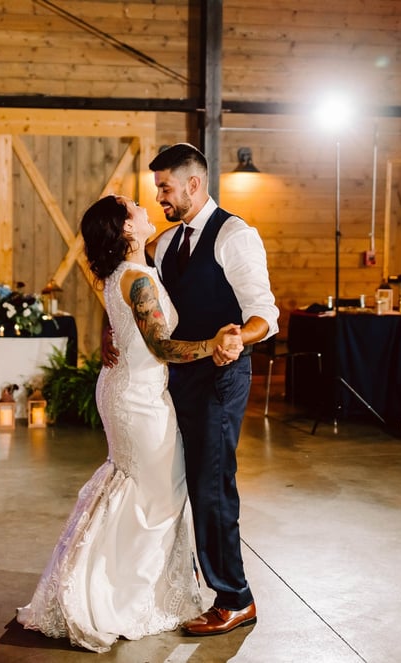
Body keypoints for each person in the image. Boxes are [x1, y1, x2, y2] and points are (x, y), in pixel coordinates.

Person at [16, 194, 243, 653]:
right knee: (156, 496)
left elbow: (132, 318)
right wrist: (214, 342)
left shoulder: (127, 268)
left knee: (137, 487)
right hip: (139, 397)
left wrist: (111, 330)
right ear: (125, 230)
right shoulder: (137, 279)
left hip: (125, 387)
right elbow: (162, 347)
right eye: (134, 208)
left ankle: (116, 580)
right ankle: (120, 594)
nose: (145, 206)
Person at [103, 143, 280, 636]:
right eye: (156, 188)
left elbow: (266, 313)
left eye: (164, 187)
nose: (158, 196)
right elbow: (130, 290)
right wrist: (108, 330)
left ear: (193, 185)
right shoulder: (165, 243)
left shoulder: (235, 236)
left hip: (221, 378)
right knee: (180, 481)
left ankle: (235, 597)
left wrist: (236, 339)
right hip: (174, 378)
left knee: (211, 484)